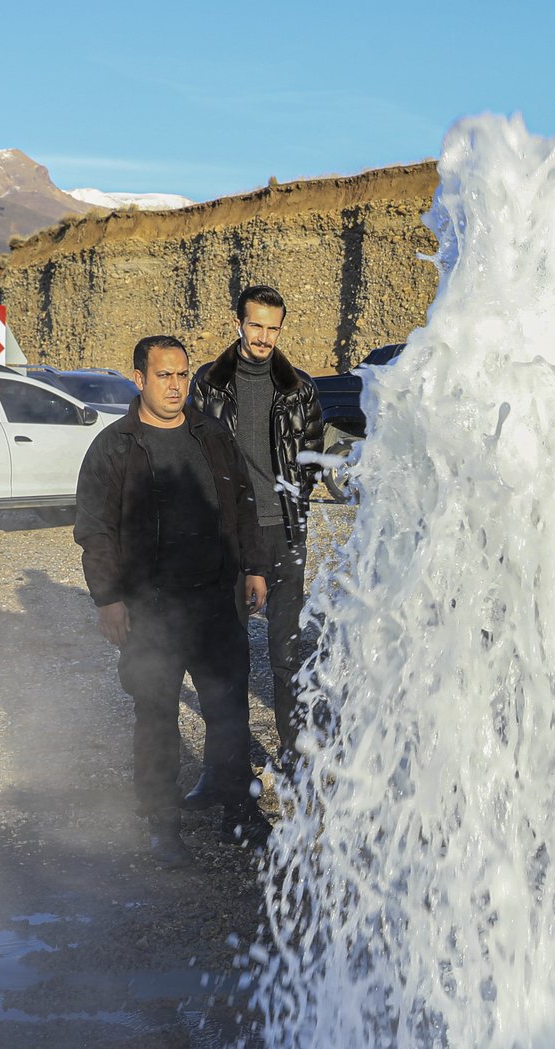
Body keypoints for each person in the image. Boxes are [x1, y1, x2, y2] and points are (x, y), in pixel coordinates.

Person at [75, 336, 270, 865]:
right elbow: (95, 532)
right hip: (149, 610)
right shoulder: (115, 446)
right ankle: (163, 826)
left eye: (182, 375)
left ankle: (239, 812)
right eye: (164, 375)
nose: (176, 385)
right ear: (138, 378)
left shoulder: (211, 435)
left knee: (228, 712)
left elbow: (244, 503)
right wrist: (108, 600)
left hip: (216, 603)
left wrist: (253, 566)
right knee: (156, 717)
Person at [187, 284, 328, 785]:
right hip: (229, 539)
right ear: (238, 324)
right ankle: (221, 769)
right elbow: (195, 454)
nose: (264, 337)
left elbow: (311, 451)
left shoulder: (300, 388)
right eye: (256, 326)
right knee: (227, 656)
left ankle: (291, 758)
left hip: (284, 534)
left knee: (287, 653)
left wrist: (293, 500)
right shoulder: (208, 383)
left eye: (273, 327)